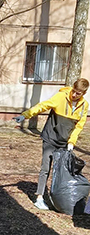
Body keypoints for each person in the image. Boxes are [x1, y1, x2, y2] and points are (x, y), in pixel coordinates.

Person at [14, 78, 89, 210]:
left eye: (78, 93)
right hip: (50, 138)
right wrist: (25, 116)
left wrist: (71, 142)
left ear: (84, 93)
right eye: (74, 91)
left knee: (61, 170)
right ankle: (39, 197)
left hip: (65, 142)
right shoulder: (61, 97)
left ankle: (59, 197)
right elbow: (42, 106)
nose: (74, 95)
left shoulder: (84, 106)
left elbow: (79, 126)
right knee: (45, 168)